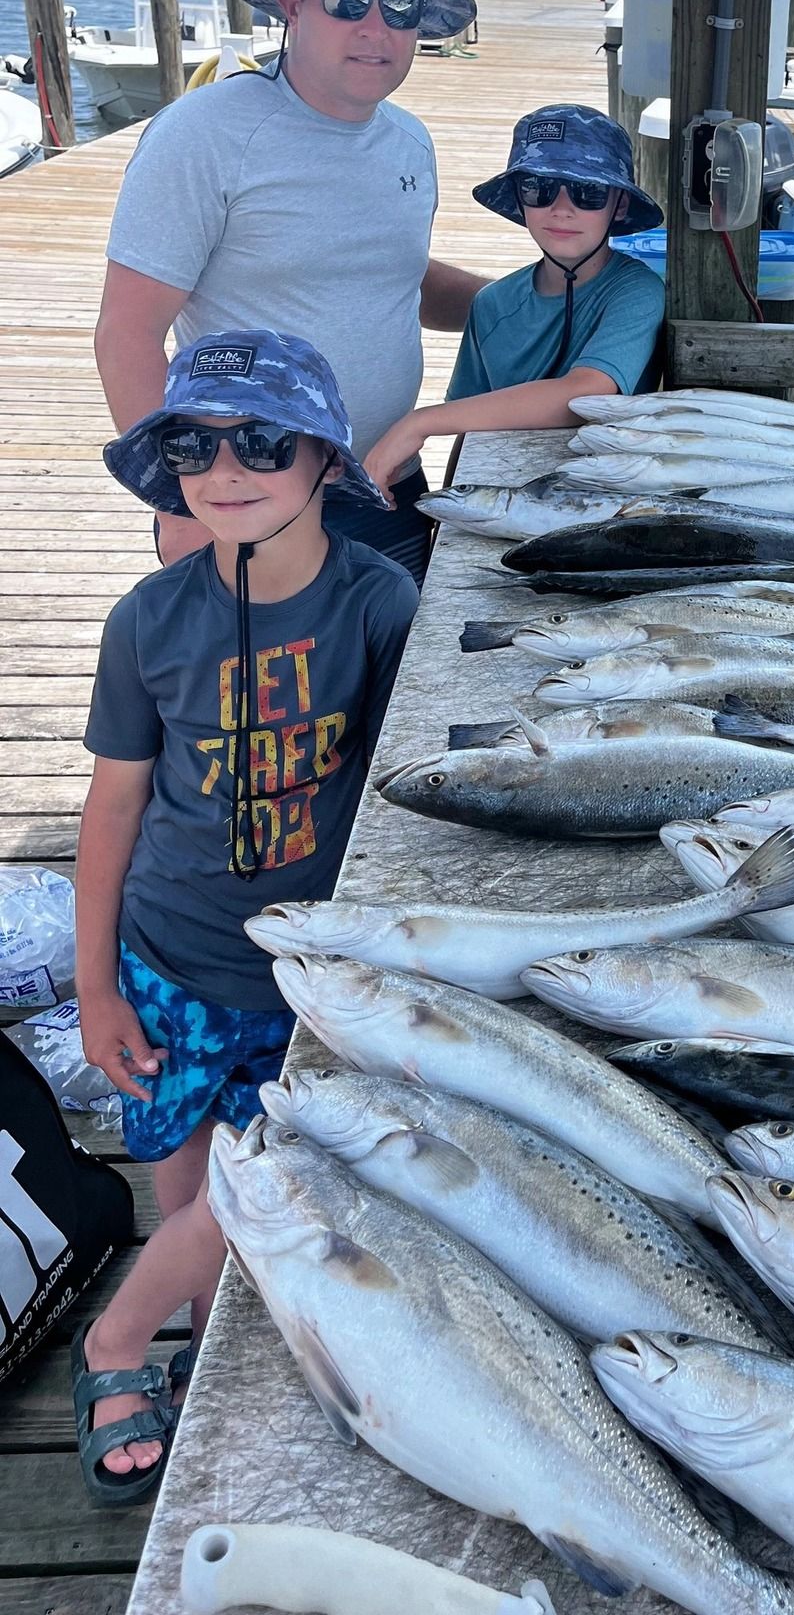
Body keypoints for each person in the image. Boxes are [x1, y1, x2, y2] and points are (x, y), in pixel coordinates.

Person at [71, 330, 418, 1505]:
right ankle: (188, 1359)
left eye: (263, 436)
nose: (227, 465)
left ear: (326, 453)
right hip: (164, 959)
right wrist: (99, 983)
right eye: (194, 440)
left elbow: (400, 798)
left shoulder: (381, 603)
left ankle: (112, 1343)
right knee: (197, 1224)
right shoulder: (146, 620)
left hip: (296, 973)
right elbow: (113, 803)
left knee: (252, 1198)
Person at [93, 0, 485, 585]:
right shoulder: (204, 136)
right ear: (293, 5)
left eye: (400, 9)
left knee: (405, 686)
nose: (376, 29)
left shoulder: (410, 142)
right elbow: (125, 334)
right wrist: (180, 508)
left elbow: (395, 276)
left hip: (387, 480)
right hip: (252, 501)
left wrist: (536, 299)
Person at [364, 104, 666, 494]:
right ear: (519, 200)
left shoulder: (636, 289)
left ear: (619, 205)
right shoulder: (491, 304)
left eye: (587, 193)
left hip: (607, 497)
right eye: (538, 189)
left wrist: (417, 422)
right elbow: (467, 427)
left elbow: (587, 392)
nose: (561, 209)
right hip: (502, 493)